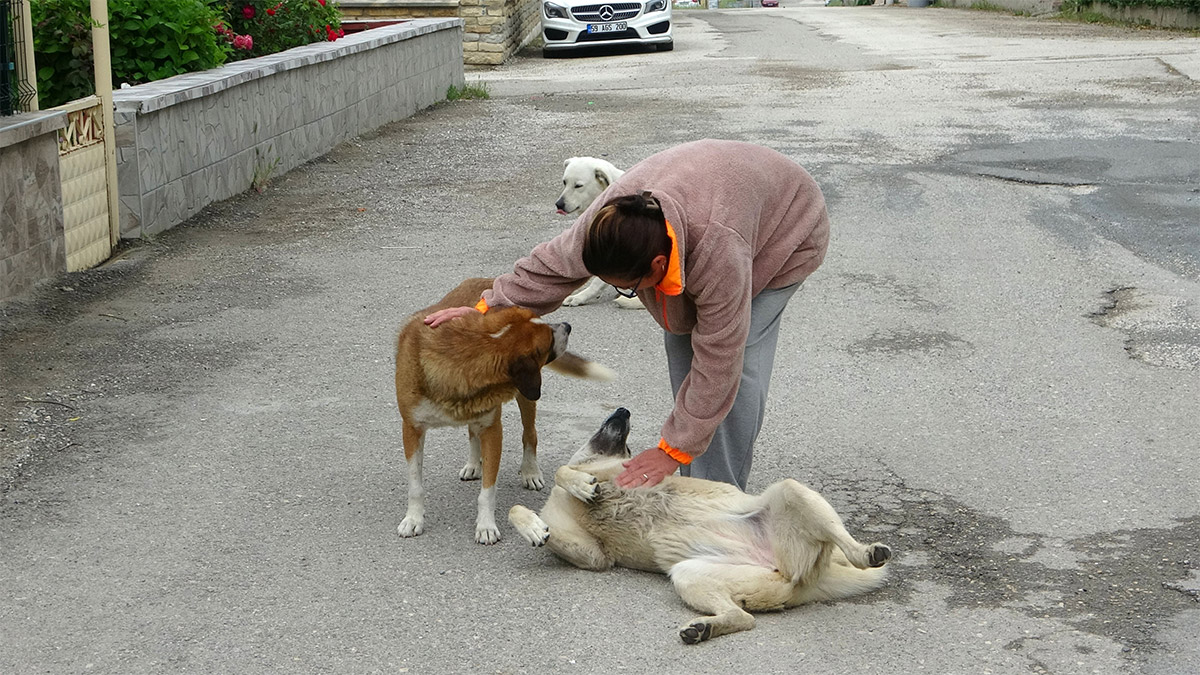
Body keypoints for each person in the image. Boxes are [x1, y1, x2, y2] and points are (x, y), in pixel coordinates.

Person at [425, 139, 829, 492]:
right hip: (718, 188)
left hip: (786, 231)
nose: (627, 293)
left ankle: (718, 498)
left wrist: (672, 449)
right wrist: (485, 309)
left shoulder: (719, 253)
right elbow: (551, 267)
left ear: (656, 265)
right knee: (681, 340)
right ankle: (692, 466)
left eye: (627, 287)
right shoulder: (608, 219)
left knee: (736, 363)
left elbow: (720, 359)